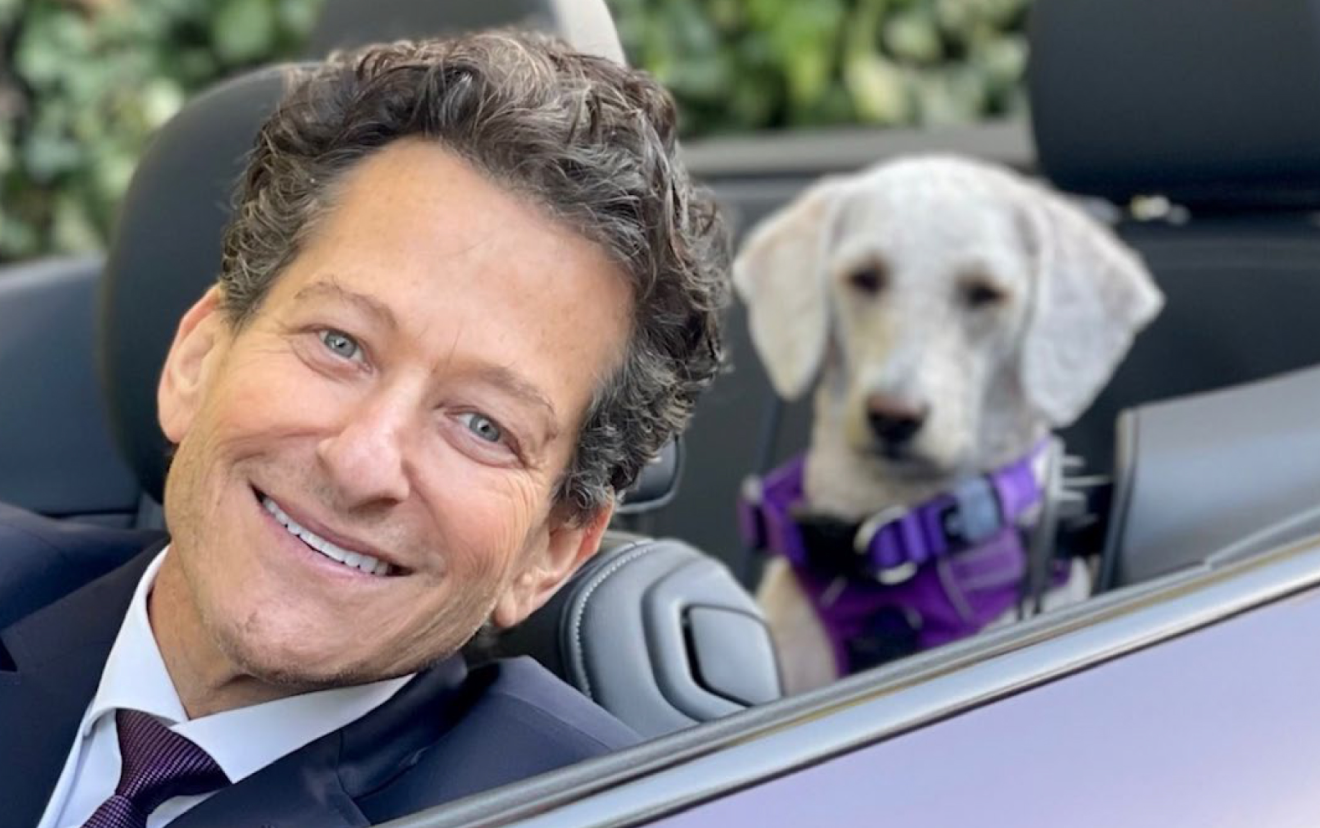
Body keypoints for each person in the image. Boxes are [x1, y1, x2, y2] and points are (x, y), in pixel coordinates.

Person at [0, 30, 728, 828]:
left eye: (483, 425)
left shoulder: (588, 816)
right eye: (339, 344)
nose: (361, 462)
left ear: (551, 548)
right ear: (198, 357)